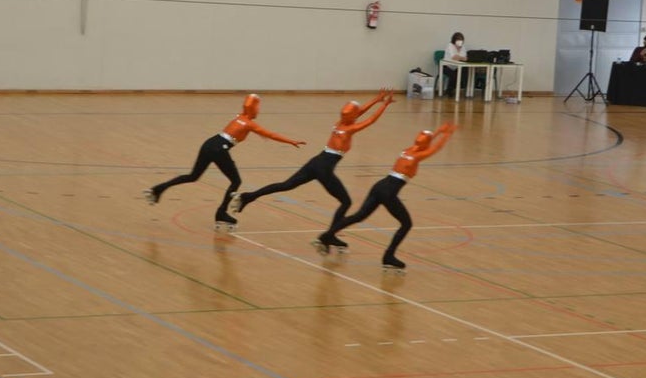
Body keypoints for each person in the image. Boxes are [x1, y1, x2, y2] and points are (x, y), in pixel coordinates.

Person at [230, 90, 395, 244]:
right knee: (346, 202)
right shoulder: (350, 128)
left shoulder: (340, 123)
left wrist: (376, 100)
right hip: (325, 168)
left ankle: (247, 197)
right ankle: (329, 236)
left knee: (286, 185)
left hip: (316, 161)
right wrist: (384, 105)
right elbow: (370, 120)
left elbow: (357, 113)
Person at [143, 94, 306, 231]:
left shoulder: (239, 117)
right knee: (236, 181)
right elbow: (271, 135)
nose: (259, 110)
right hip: (219, 149)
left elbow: (249, 119)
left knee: (193, 176)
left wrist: (252, 101)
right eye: (257, 108)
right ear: (254, 109)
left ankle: (157, 189)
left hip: (209, 143)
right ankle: (221, 213)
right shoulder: (249, 123)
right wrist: (291, 141)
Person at [314, 123, 456, 271]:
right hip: (388, 192)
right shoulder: (417, 156)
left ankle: (326, 236)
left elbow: (424, 144)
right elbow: (435, 148)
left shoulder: (408, 150)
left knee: (358, 216)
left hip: (379, 186)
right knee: (406, 224)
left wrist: (438, 131)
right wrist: (446, 134)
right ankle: (389, 256)